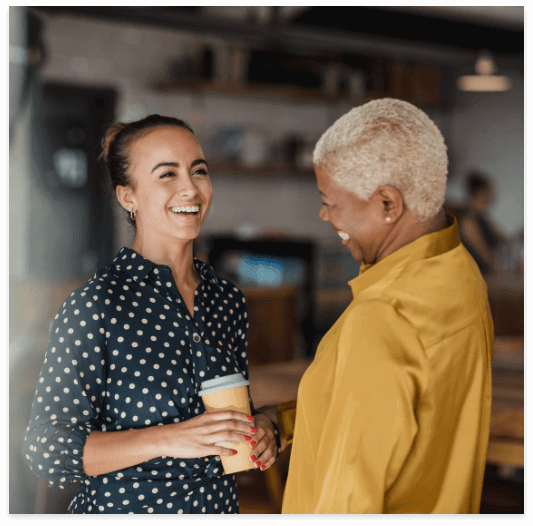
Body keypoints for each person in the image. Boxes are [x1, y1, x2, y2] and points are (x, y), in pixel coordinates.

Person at [21, 114, 280, 514]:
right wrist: (168, 439)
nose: (190, 188)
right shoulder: (97, 305)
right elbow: (47, 450)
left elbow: (229, 413)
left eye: (199, 171)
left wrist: (264, 426)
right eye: (167, 174)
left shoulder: (228, 301)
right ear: (129, 197)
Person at [273, 98, 494, 513]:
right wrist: (285, 421)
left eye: (331, 201)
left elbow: (349, 498)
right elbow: (396, 417)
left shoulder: (383, 317)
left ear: (388, 204)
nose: (323, 214)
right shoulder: (461, 275)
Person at [459, 170, 508, 277]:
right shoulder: (468, 222)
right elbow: (487, 258)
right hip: (476, 278)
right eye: (489, 192)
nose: (492, 197)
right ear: (479, 193)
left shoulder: (483, 219)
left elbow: (505, 240)